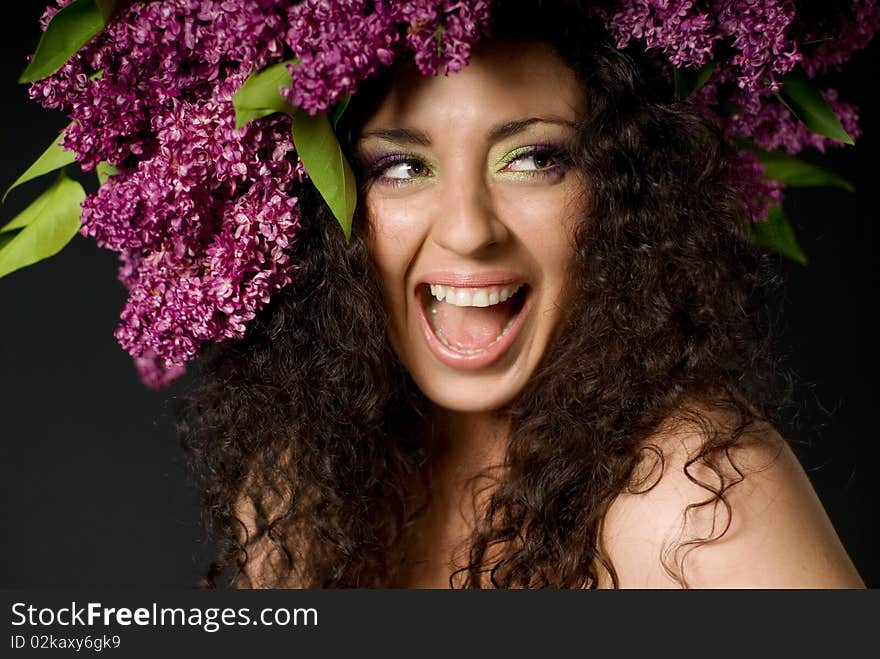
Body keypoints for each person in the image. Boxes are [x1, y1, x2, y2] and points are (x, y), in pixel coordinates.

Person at [176, 4, 866, 589]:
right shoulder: (302, 480)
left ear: (621, 192)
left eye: (535, 159)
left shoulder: (695, 500)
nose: (470, 230)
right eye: (403, 166)